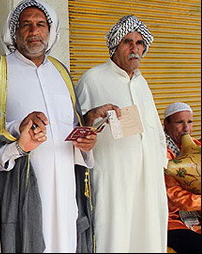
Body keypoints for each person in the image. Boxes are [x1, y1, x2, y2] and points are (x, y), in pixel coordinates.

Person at [0, 0, 112, 253]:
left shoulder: (60, 71)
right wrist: (21, 127)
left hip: (64, 181)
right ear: (14, 31)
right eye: (26, 24)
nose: (34, 31)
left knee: (65, 240)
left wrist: (86, 143)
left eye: (41, 24)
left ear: (50, 32)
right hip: (22, 184)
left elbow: (72, 126)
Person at [75, 14, 168, 252]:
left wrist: (161, 165)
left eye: (139, 43)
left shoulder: (142, 83)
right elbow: (77, 130)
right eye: (127, 41)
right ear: (115, 46)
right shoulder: (92, 80)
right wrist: (92, 117)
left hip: (148, 181)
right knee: (115, 236)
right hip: (113, 181)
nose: (134, 48)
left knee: (148, 237)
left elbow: (156, 131)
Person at [163, 102, 201, 253]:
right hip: (171, 219)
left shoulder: (195, 147)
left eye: (189, 122)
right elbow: (174, 196)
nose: (186, 128)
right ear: (166, 124)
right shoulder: (162, 153)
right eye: (180, 122)